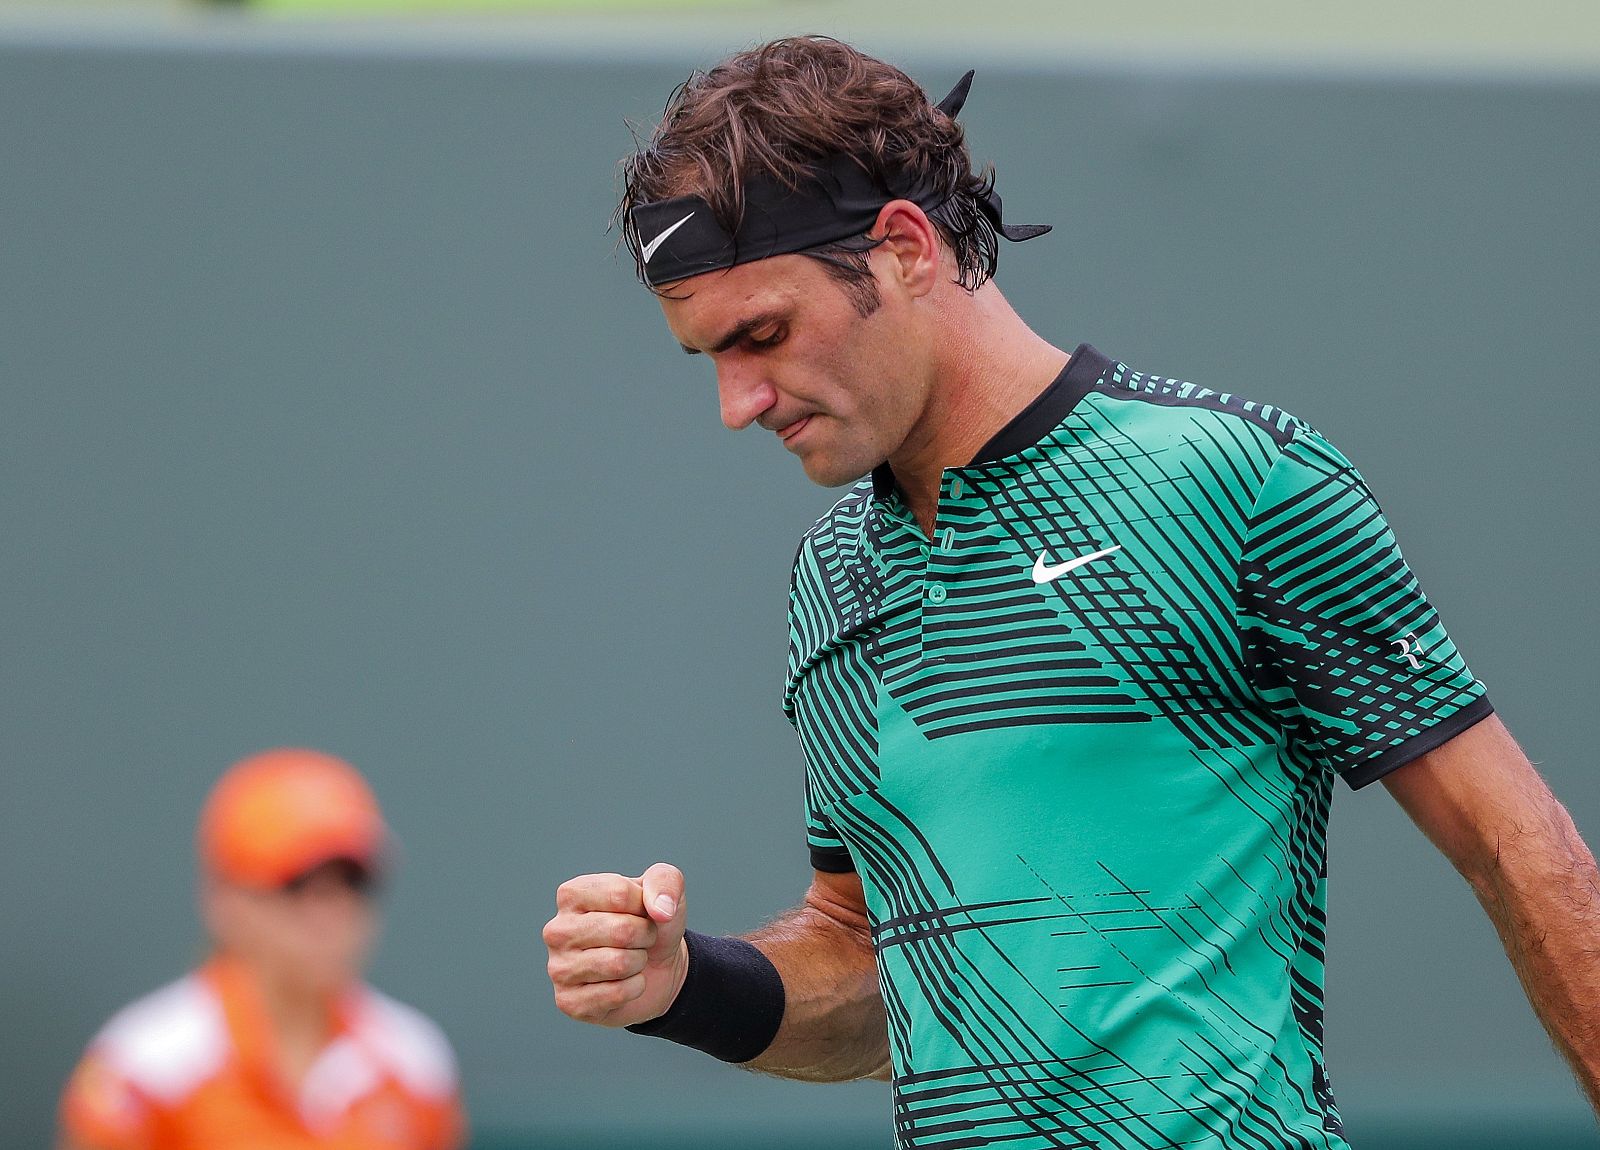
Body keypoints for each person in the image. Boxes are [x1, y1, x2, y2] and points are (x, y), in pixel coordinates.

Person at [541, 36, 1600, 1149]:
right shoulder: (831, 577)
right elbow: (875, 965)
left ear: (904, 249)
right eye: (708, 356)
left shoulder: (1236, 480)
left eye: (762, 334)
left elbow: (1517, 848)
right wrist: (684, 985)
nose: (737, 403)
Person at [59, 748, 466, 1150]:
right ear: (223, 899)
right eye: (297, 885)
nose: (330, 914)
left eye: (352, 884)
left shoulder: (415, 1062)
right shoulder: (146, 1069)